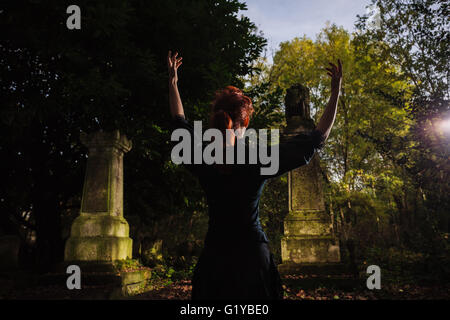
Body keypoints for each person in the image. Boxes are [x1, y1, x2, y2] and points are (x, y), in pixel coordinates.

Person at [167, 50, 342, 300]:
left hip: (215, 260)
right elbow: (317, 139)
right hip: (252, 260)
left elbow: (179, 123)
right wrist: (335, 92)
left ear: (215, 119)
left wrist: (173, 83)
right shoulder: (260, 157)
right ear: (246, 122)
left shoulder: (201, 155)